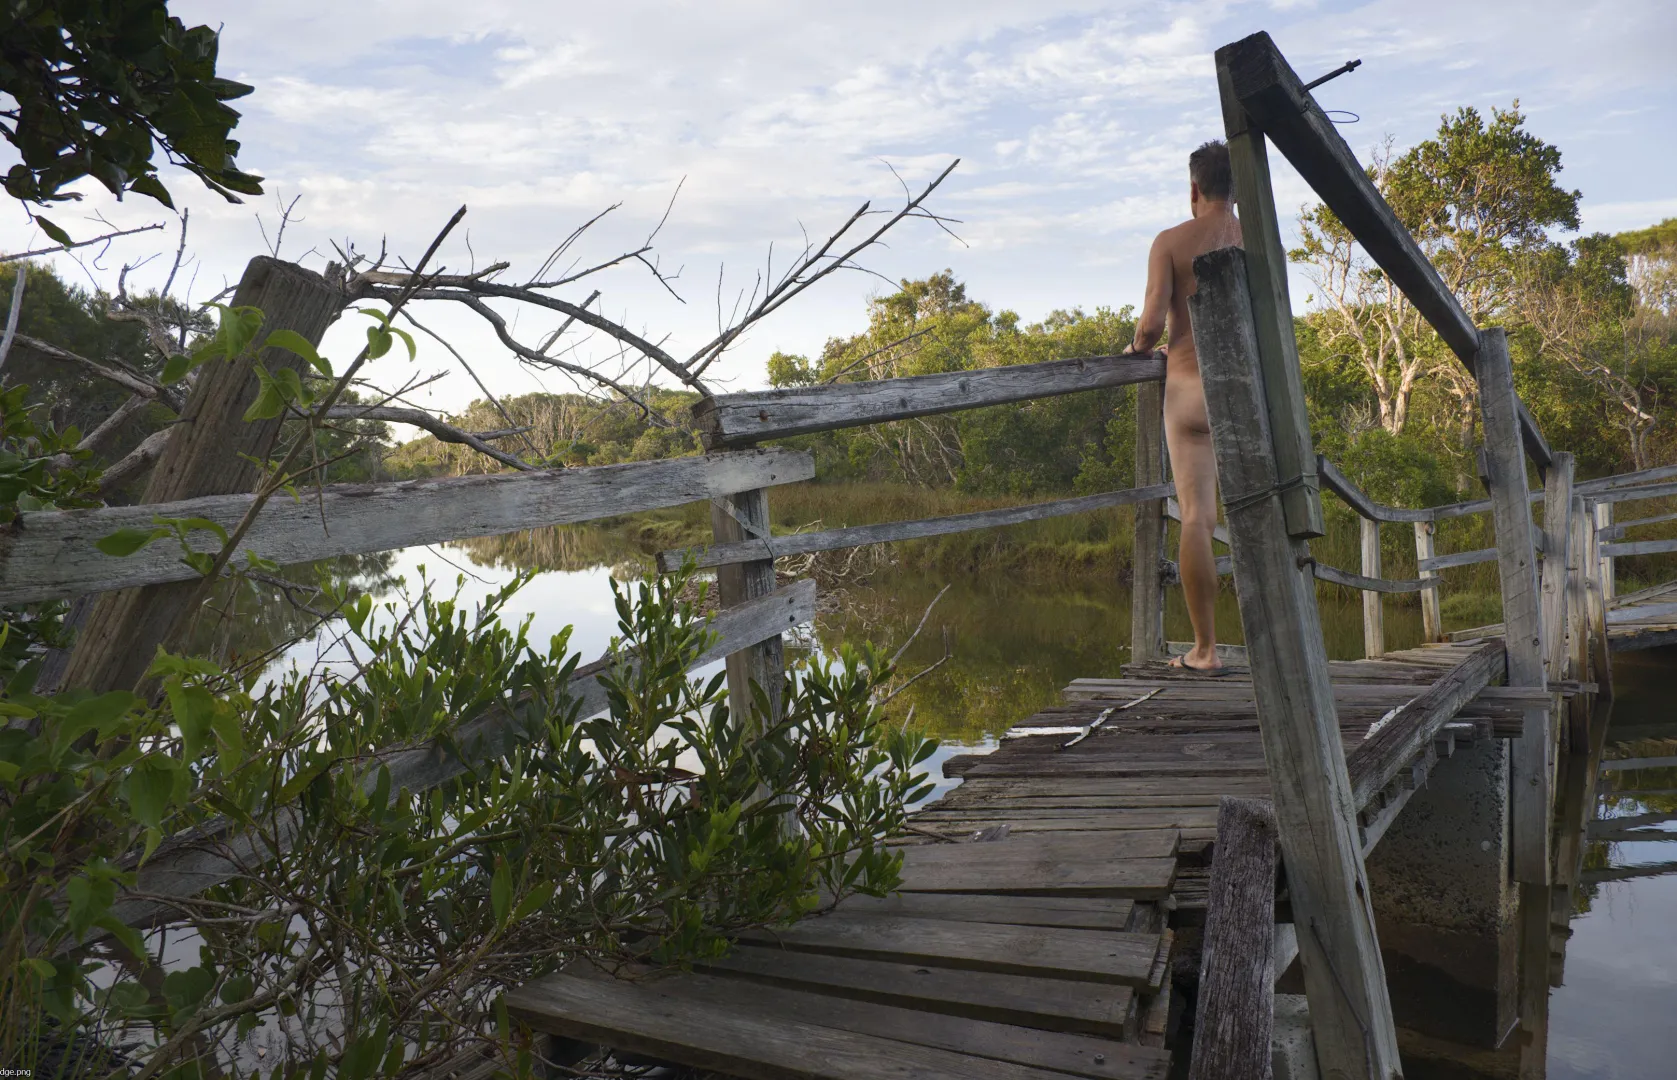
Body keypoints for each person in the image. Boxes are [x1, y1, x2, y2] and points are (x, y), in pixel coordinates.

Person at [1124, 140, 1242, 673]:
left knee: (1196, 517)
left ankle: (1204, 650)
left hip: (1191, 392)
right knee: (1260, 513)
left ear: (1194, 188)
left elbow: (1151, 326)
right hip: (1247, 396)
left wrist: (1138, 349)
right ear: (1235, 189)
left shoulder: (1170, 242)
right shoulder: (1256, 240)